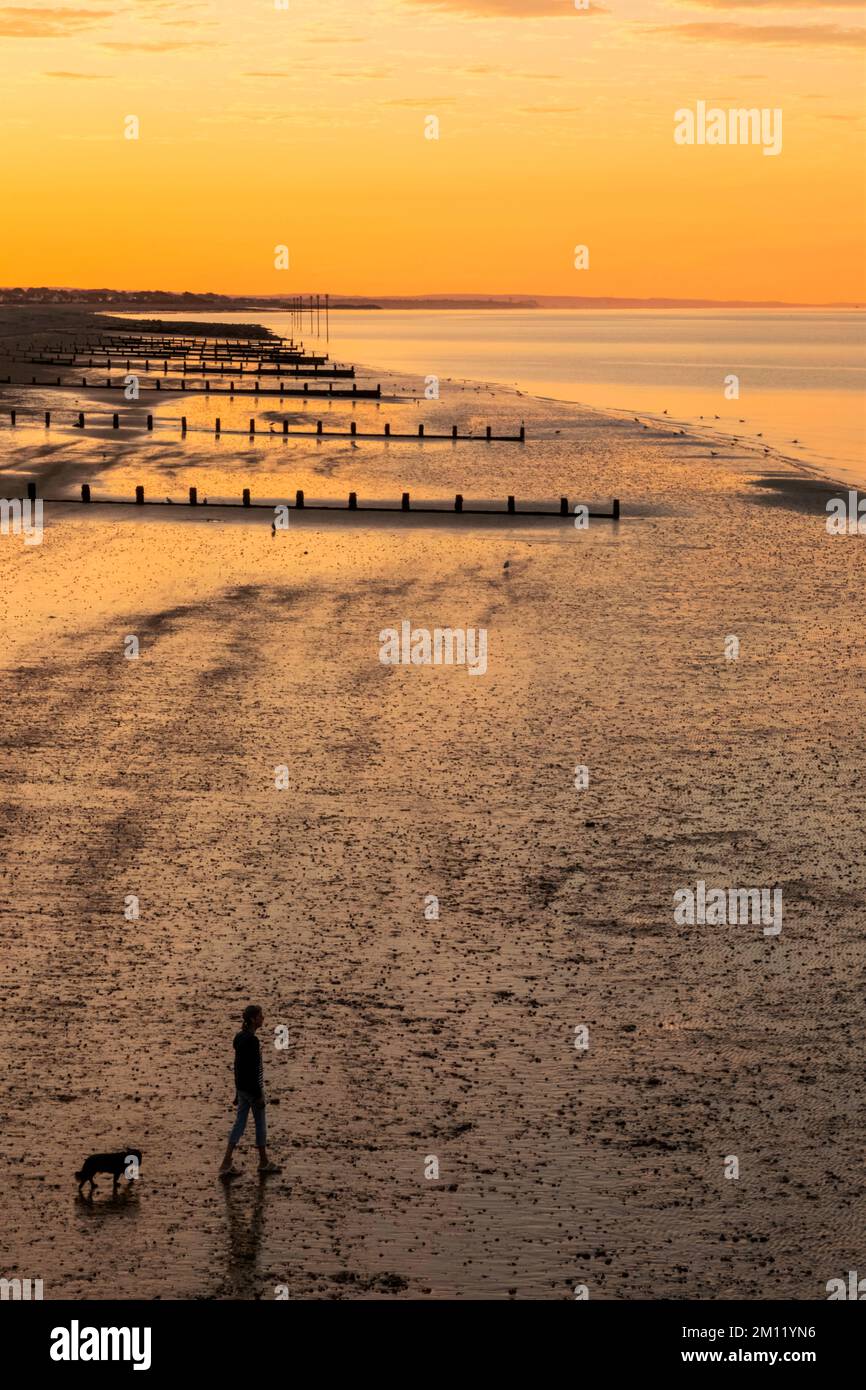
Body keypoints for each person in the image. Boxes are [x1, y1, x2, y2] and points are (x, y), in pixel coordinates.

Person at [219, 1005, 281, 1180]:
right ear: (253, 1019)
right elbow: (253, 1070)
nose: (263, 1018)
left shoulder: (239, 1038)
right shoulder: (253, 1041)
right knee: (260, 1124)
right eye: (261, 1016)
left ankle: (226, 1161)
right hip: (253, 1090)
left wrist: (237, 1092)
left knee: (239, 1124)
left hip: (242, 1089)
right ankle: (263, 1162)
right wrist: (259, 1094)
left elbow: (238, 1067)